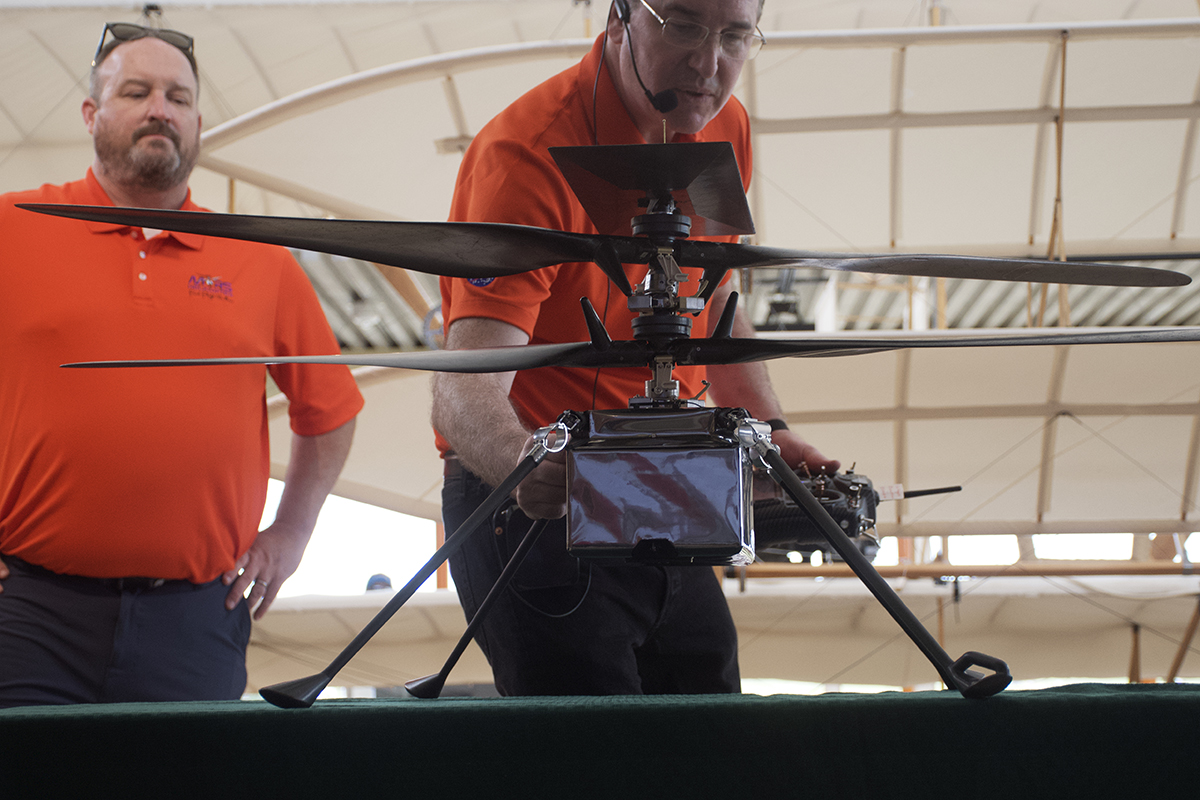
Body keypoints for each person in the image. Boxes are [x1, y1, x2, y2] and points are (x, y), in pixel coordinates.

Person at [432, 0, 838, 696]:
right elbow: (463, 389)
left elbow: (710, 302)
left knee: (708, 713)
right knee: (596, 757)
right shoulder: (527, 155)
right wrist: (522, 462)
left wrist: (771, 428)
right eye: (681, 25)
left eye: (736, 36)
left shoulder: (719, 125)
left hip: (661, 486)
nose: (710, 64)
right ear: (620, 16)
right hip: (535, 499)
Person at [0, 23, 364, 707]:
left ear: (197, 121)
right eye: (135, 91)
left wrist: (293, 531)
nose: (158, 108)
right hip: (28, 613)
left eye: (178, 96)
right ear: (92, 114)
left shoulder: (262, 262)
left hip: (195, 620)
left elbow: (331, 410)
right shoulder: (11, 228)